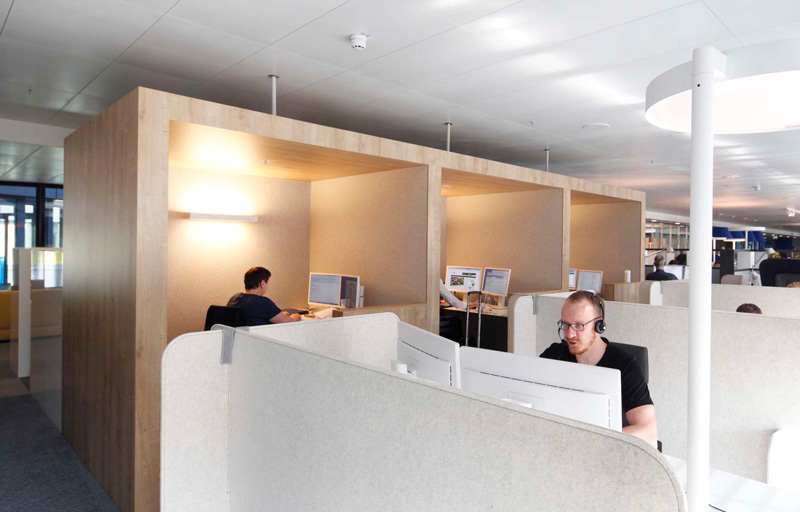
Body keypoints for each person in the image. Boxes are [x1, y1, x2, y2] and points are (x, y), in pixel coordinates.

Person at [540, 291, 658, 448]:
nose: (570, 334)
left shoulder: (625, 366)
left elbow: (648, 433)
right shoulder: (554, 355)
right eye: (565, 325)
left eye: (579, 325)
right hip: (560, 444)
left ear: (599, 324)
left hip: (605, 448)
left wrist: (590, 437)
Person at [227, 267, 301, 325]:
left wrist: (279, 315)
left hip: (239, 338)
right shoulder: (262, 302)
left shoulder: (235, 298)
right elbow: (285, 321)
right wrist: (294, 318)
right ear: (262, 283)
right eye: (267, 282)